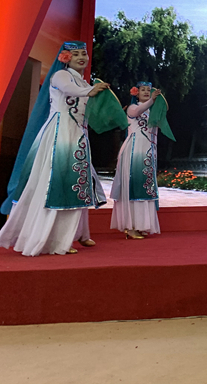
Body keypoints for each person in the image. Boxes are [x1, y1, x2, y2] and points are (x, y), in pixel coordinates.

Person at [0, 42, 107, 256]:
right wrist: (91, 90)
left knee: (77, 182)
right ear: (66, 57)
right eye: (75, 54)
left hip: (76, 135)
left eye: (83, 53)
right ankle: (53, 239)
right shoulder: (61, 76)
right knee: (57, 183)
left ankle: (78, 233)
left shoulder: (83, 81)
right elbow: (70, 90)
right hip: (59, 134)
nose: (81, 57)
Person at [110, 81, 163, 239]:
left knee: (145, 186)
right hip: (133, 151)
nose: (146, 92)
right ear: (136, 93)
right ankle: (130, 226)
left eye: (149, 90)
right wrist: (152, 100)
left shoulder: (151, 112)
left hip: (147, 151)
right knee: (133, 186)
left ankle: (140, 225)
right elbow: (138, 111)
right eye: (143, 90)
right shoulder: (133, 108)